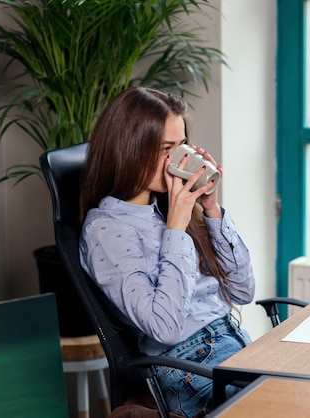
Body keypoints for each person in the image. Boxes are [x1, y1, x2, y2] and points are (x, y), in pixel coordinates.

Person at [79, 86, 255, 417]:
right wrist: (176, 226)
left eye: (182, 146)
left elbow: (243, 291)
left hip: (234, 343)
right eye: (166, 149)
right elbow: (165, 329)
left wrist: (211, 209)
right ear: (129, 149)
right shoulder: (107, 230)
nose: (178, 160)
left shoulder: (168, 207)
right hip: (191, 366)